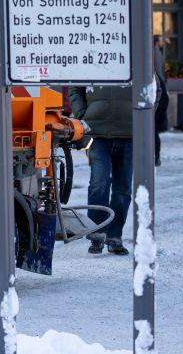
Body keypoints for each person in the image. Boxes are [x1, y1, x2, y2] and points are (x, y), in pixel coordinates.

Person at [69, 85, 133, 255]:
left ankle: (115, 237)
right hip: (97, 134)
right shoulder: (91, 60)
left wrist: (144, 115)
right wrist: (83, 115)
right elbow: (75, 87)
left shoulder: (137, 58)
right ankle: (97, 233)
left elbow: (154, 89)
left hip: (129, 134)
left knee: (123, 189)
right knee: (99, 184)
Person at [153, 35, 169, 166]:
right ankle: (156, 156)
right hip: (156, 85)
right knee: (153, 133)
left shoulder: (156, 51)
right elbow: (159, 70)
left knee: (153, 133)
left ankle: (155, 156)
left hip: (157, 90)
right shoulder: (155, 52)